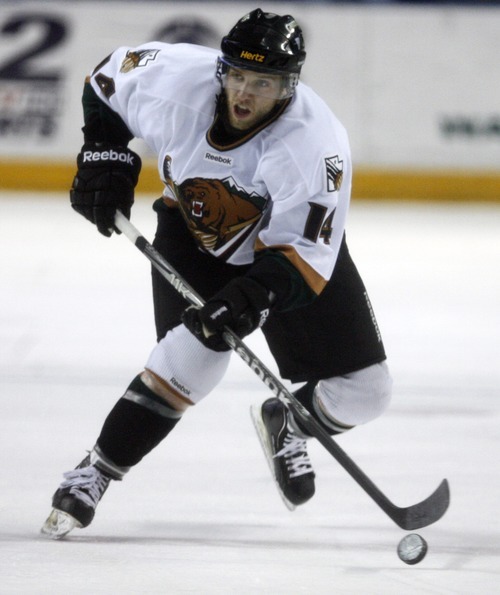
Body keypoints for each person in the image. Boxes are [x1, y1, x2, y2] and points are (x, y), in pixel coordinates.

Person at [41, 8, 392, 538]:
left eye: (265, 83)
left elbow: (305, 257)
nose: (245, 94)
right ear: (222, 69)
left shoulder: (317, 146)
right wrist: (104, 153)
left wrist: (252, 296)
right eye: (238, 76)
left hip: (283, 252)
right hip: (193, 232)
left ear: (289, 86)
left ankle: (287, 424)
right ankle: (95, 472)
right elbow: (105, 80)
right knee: (194, 358)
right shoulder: (172, 80)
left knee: (367, 392)